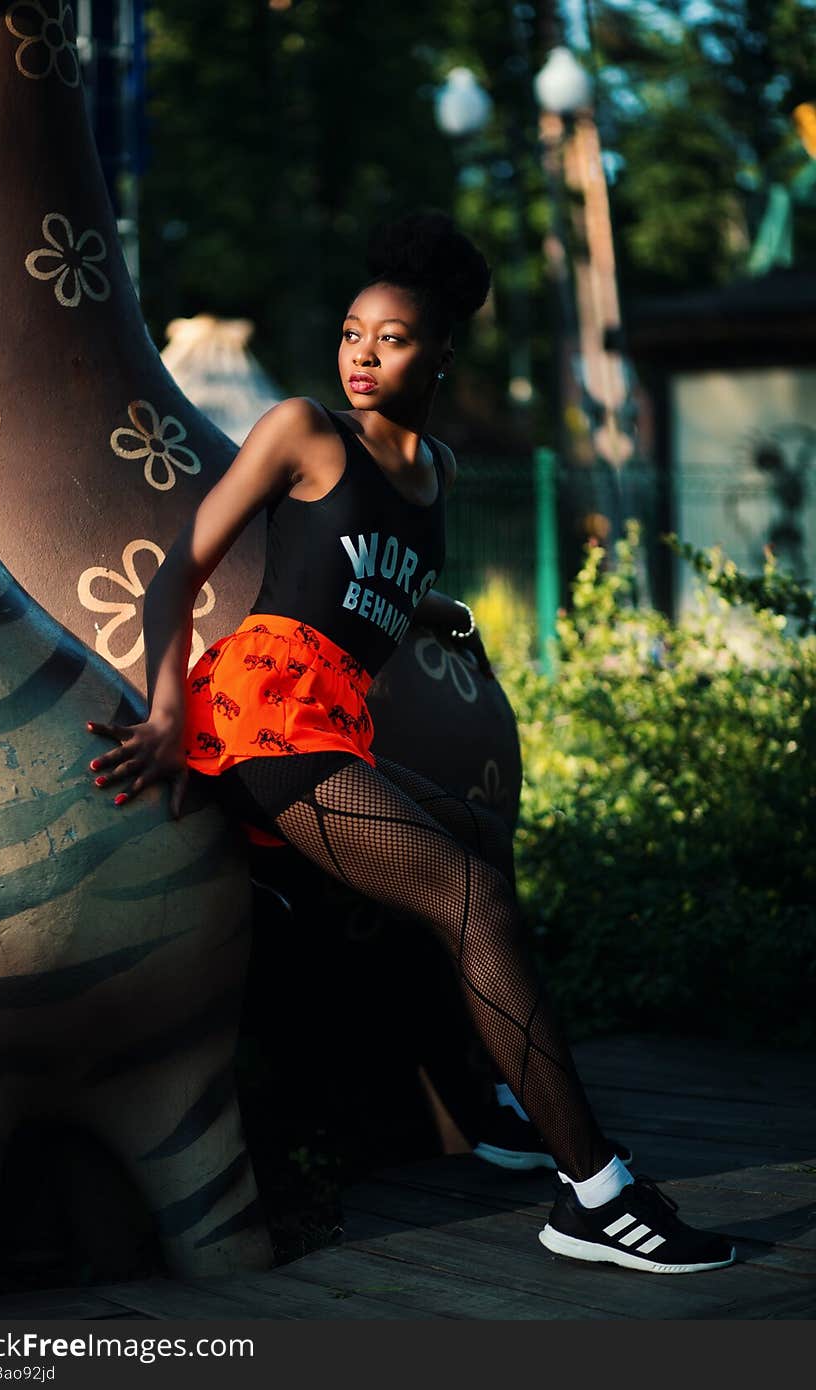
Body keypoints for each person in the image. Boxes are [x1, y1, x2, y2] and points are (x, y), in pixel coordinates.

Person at [87, 210, 734, 1275]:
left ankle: (482, 1095)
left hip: (334, 723)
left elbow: (371, 579)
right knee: (470, 897)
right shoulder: (302, 430)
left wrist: (443, 619)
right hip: (262, 712)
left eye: (388, 338)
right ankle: (599, 1191)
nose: (361, 354)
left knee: (477, 832)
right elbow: (179, 572)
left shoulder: (434, 471)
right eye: (351, 332)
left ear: (438, 351)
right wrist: (165, 712)